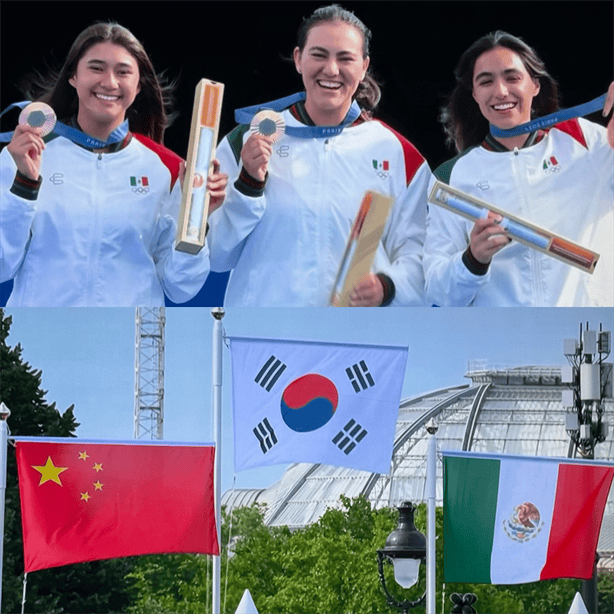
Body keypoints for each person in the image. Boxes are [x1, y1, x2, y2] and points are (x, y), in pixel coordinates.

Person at [208, 4, 431, 307]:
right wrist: (248, 183)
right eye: (319, 55)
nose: (331, 69)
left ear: (364, 66)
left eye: (345, 58)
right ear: (299, 59)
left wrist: (387, 286)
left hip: (354, 332)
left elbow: (421, 252)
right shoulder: (246, 141)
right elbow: (217, 256)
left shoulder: (398, 154)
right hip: (267, 330)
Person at [0, 22, 225, 307]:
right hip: (40, 340)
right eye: (96, 68)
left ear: (138, 84)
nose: (109, 82)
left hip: (127, 338)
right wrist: (24, 186)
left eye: (123, 72)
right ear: (73, 76)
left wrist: (197, 221)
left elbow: (180, 286)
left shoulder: (168, 170)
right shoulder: (26, 156)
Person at [423, 31, 613, 307]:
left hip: (585, 335)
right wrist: (473, 260)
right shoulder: (451, 176)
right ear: (474, 94)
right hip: (505, 344)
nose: (500, 91)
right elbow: (436, 295)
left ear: (535, 85)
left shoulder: (586, 142)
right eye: (486, 81)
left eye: (512, 78)